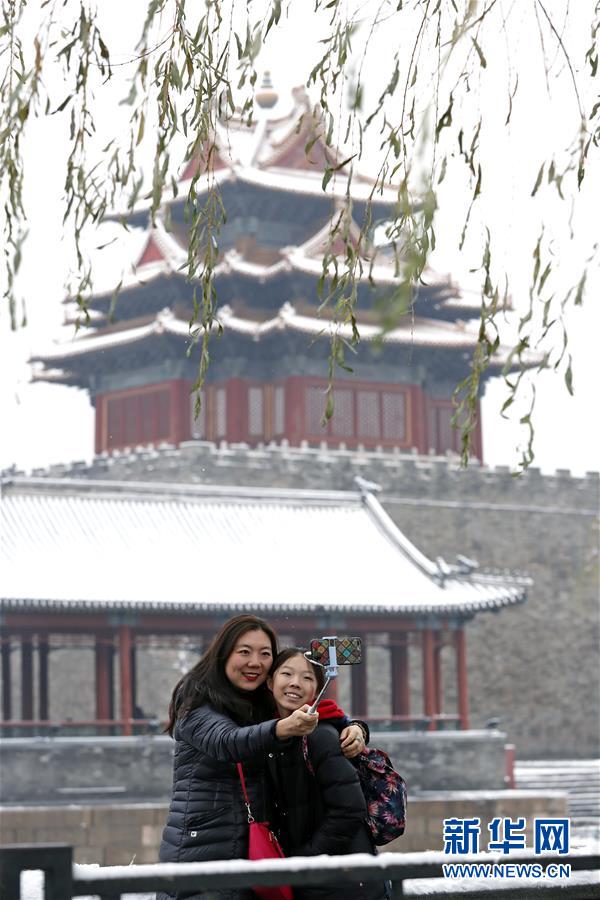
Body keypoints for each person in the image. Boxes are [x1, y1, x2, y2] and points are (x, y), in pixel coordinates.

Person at [157, 615, 366, 900]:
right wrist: (282, 728)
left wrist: (355, 727)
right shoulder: (197, 703)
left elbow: (314, 710)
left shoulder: (257, 703)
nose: (255, 662)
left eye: (265, 654)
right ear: (223, 654)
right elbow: (229, 742)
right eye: (244, 652)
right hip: (203, 848)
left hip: (251, 849)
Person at [266, 648, 388, 900]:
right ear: (270, 682)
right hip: (322, 879)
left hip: (342, 882)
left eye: (307, 678)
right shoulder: (275, 734)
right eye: (286, 674)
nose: (295, 683)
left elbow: (349, 810)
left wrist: (304, 860)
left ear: (317, 690)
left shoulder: (321, 735)